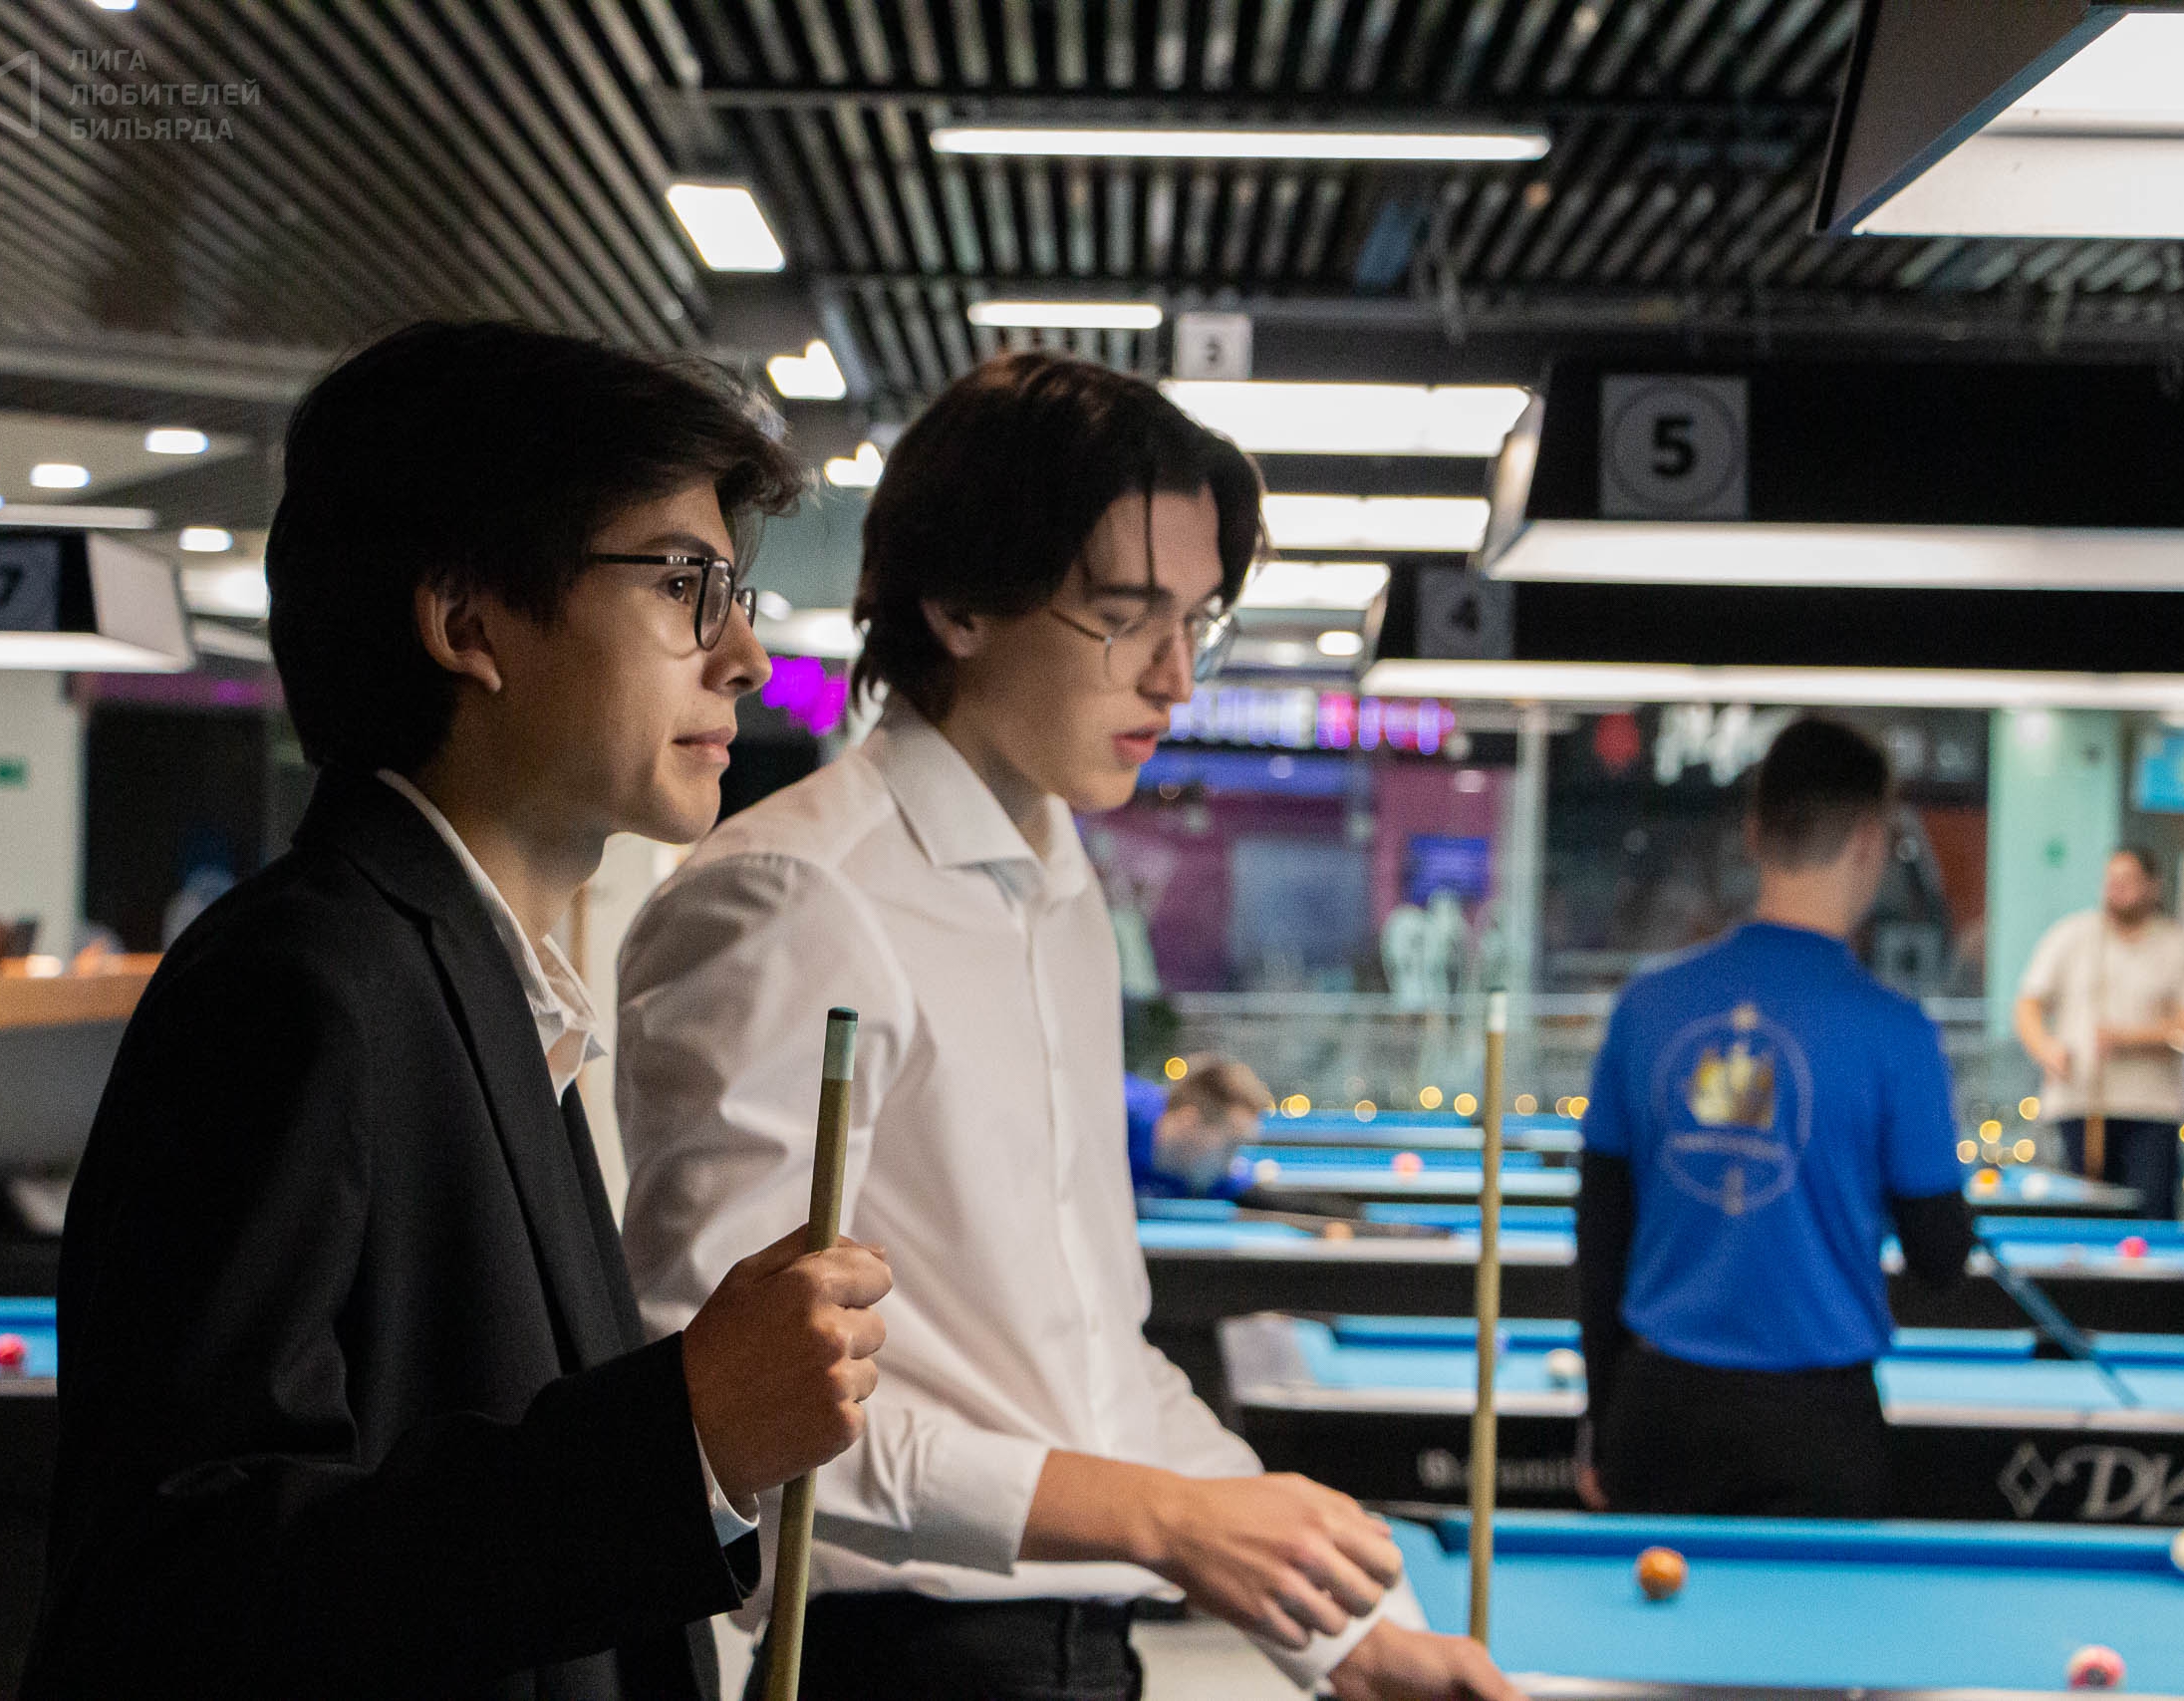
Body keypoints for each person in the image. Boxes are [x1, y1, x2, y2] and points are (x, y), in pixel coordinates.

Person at [617, 352, 1520, 1701]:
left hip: (1084, 1656)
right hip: (895, 1672)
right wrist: (1159, 1518)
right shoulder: (793, 892)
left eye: (1196, 622)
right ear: (959, 604)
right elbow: (717, 1406)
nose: (1177, 676)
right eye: (1123, 615)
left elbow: (1096, 1365)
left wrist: (1351, 1643)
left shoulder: (1059, 883)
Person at [26, 322, 893, 1700]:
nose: (740, 653)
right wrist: (687, 1434)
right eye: (684, 584)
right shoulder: (301, 985)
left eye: (732, 590)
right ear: (467, 622)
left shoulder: (474, 982)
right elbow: (174, 1588)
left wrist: (686, 1446)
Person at [1574, 718, 1973, 1520]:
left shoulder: (1645, 1004)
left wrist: (1602, 1411)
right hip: (1819, 1425)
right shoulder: (1898, 1030)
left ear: (1754, 833)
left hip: (1658, 1408)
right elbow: (1940, 1255)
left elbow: (1600, 1235)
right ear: (1870, 839)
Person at [2014, 847, 2184, 1213]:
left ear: (2153, 885)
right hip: (2079, 1102)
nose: (2117, 888)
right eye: (2111, 879)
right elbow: (2028, 1004)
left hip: (2152, 1109)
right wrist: (2046, 1048)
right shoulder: (2072, 935)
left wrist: (2126, 1039)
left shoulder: (2176, 944)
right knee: (2081, 1215)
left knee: (2149, 1215)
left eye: (2128, 880)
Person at [1127, 1053, 1274, 1202]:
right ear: (1189, 1121)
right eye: (1230, 1145)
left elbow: (1246, 1191)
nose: (1232, 1162)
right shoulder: (1123, 1111)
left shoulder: (1205, 1174)